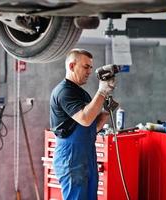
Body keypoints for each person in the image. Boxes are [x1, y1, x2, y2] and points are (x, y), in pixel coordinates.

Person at [49, 48, 116, 200]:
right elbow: (85, 119)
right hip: (71, 156)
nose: (89, 71)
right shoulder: (64, 92)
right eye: (86, 67)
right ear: (72, 66)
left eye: (91, 67)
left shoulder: (81, 93)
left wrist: (105, 112)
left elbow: (93, 127)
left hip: (87, 155)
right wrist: (102, 92)